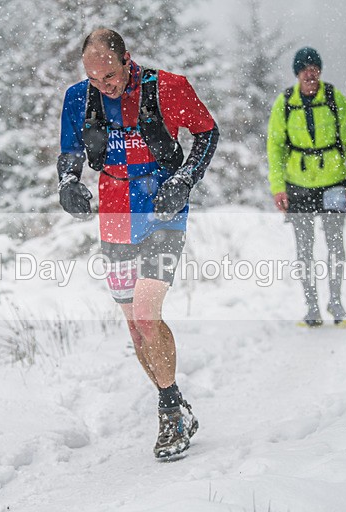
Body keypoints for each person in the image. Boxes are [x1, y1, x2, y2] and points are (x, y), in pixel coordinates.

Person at [57, 28, 219, 459]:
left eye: (110, 76)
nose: (104, 86)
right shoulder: (78, 97)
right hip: (115, 214)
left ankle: (169, 414)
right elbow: (70, 151)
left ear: (126, 58)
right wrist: (68, 181)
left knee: (147, 315)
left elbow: (207, 133)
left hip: (163, 211)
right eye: (95, 79)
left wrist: (184, 179)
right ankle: (177, 401)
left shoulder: (168, 87)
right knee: (134, 327)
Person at [266, 47, 346, 327]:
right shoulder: (285, 103)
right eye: (304, 68)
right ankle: (312, 307)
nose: (310, 73)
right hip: (297, 185)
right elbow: (275, 149)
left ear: (320, 71)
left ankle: (336, 303)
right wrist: (278, 188)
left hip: (334, 182)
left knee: (335, 245)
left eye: (314, 68)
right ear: (297, 73)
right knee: (304, 248)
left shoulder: (335, 99)